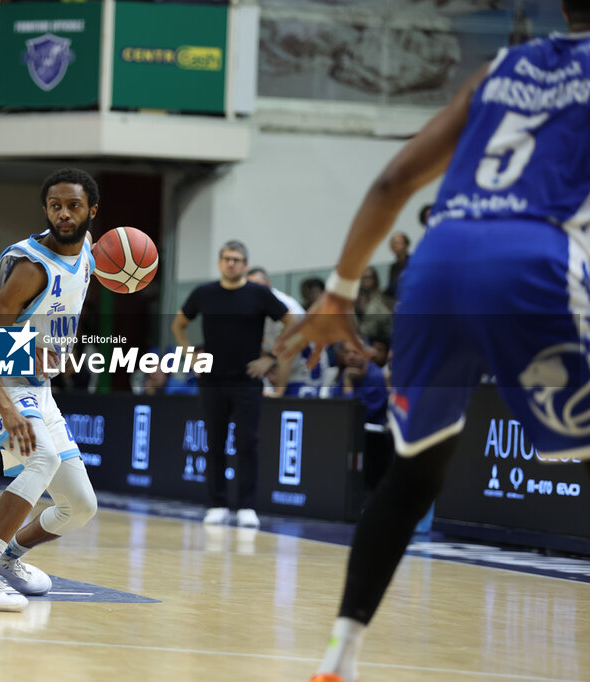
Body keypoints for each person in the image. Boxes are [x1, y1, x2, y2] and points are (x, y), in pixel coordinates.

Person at [276, 4, 590, 679]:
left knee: (415, 471)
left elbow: (393, 180)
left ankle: (340, 655)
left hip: (438, 264)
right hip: (536, 258)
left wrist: (339, 289)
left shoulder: (499, 68)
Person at [0, 168, 100, 612]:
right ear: (46, 210)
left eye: (73, 205)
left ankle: (9, 557)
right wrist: (8, 409)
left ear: (92, 212)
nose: (64, 214)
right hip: (1, 381)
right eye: (55, 206)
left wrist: (56, 349)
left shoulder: (88, 250)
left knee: (80, 507)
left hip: (38, 388)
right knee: (42, 457)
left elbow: (63, 310)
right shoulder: (31, 268)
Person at [172, 241, 293, 528]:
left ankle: (246, 506)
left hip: (247, 380)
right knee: (214, 442)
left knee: (247, 443)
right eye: (227, 259)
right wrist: (190, 354)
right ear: (219, 262)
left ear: (245, 265)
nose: (231, 264)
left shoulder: (259, 294)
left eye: (237, 260)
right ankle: (217, 503)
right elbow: (179, 324)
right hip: (212, 379)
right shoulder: (204, 293)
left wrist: (271, 357)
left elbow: (294, 323)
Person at [246, 266, 305, 396]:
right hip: (273, 368)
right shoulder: (253, 306)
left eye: (257, 285)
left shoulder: (287, 307)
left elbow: (286, 351)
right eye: (249, 287)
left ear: (268, 284)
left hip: (302, 370)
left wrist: (278, 393)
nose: (253, 290)